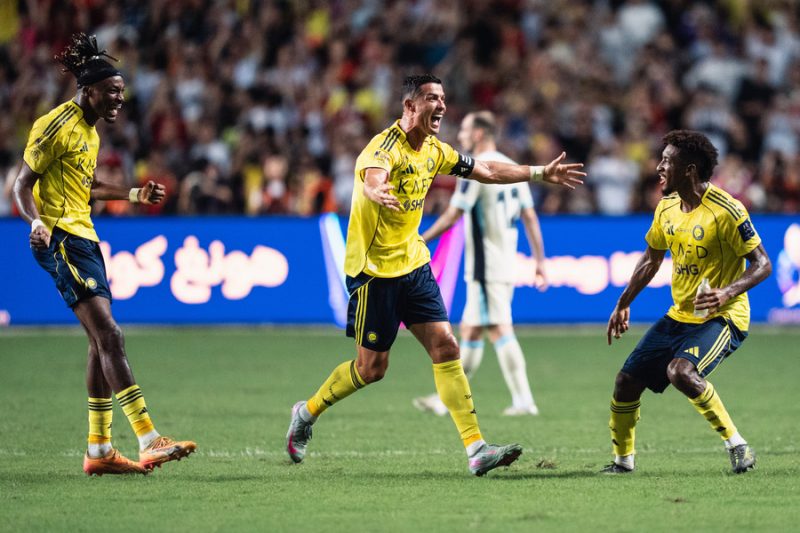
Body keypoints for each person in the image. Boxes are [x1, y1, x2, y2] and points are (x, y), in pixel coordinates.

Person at [285, 75, 584, 476]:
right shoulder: (383, 148)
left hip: (414, 265)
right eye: (431, 98)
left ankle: (476, 449)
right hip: (375, 273)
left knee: (446, 346)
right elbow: (373, 176)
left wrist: (538, 172)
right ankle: (306, 412)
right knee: (371, 369)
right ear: (409, 106)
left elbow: (486, 170)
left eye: (443, 98)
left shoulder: (435, 150)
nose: (441, 105)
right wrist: (376, 191)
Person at [13, 33, 196, 476]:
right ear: (89, 89)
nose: (119, 98)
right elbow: (19, 185)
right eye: (112, 91)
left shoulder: (90, 131)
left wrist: (133, 193)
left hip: (85, 238)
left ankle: (99, 450)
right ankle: (149, 439)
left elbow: (88, 187)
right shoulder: (54, 126)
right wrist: (36, 223)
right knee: (110, 336)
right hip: (60, 239)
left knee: (100, 343)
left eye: (121, 91)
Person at [604, 130, 772, 474]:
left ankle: (738, 445)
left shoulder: (727, 210)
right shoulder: (666, 207)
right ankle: (623, 462)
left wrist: (726, 292)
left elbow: (763, 264)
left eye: (667, 161)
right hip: (680, 315)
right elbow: (651, 259)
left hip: (723, 316)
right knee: (625, 382)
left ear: (690, 169)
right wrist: (623, 302)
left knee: (680, 372)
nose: (659, 167)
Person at [412, 111, 546, 418]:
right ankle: (445, 400)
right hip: (504, 263)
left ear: (478, 134)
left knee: (499, 329)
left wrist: (422, 238)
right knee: (471, 332)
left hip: (487, 267)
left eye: (464, 130)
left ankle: (524, 400)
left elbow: (453, 215)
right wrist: (539, 260)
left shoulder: (475, 169)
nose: (459, 136)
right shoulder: (514, 168)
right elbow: (529, 216)